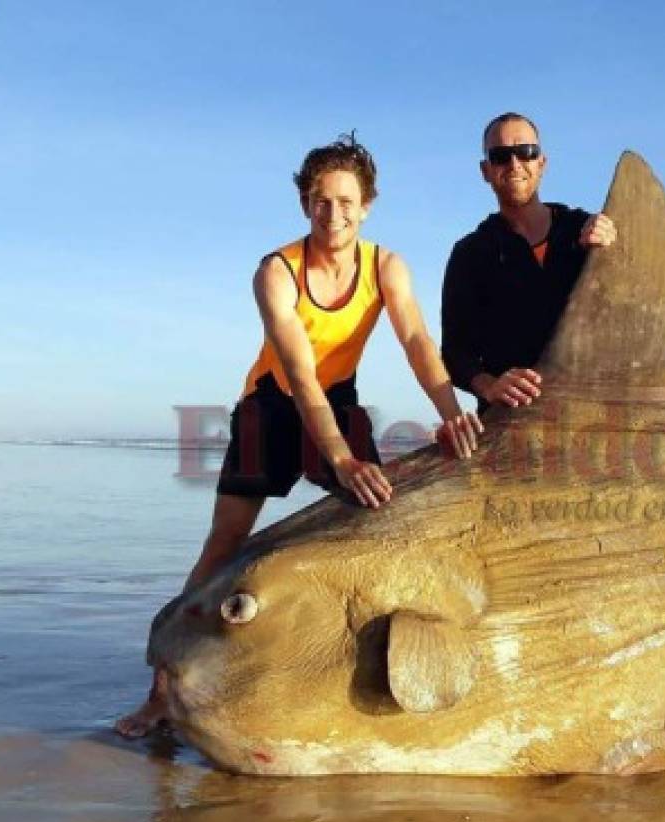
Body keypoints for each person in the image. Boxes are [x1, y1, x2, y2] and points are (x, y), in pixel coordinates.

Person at [116, 134, 482, 738]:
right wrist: (339, 458)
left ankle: (350, 669)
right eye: (319, 201)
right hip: (272, 404)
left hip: (336, 399)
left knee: (377, 516)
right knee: (226, 542)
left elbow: (417, 343)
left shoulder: (386, 266)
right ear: (305, 204)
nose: (332, 214)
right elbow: (300, 372)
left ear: (366, 205)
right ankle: (162, 689)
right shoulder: (277, 272)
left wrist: (450, 408)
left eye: (344, 201)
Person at [441, 112, 616, 412]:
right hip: (514, 425)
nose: (514, 164)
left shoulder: (587, 230)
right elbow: (456, 353)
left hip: (593, 414)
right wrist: (490, 385)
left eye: (526, 152)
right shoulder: (470, 254)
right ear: (485, 170)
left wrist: (616, 250)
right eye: (500, 156)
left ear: (542, 163)